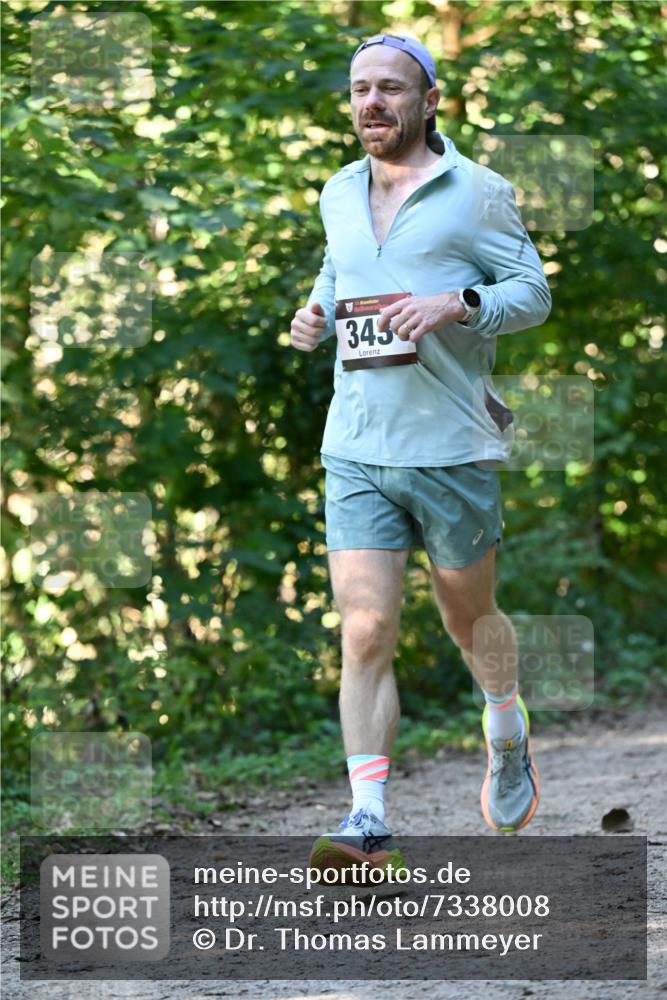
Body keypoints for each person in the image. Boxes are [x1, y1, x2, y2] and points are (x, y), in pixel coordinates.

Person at [289, 33, 551, 873]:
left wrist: (457, 303)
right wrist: (314, 314)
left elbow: (532, 293)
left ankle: (504, 721)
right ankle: (367, 820)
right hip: (356, 443)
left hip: (450, 446)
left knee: (467, 618)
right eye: (359, 89)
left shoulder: (477, 192)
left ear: (429, 99)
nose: (371, 102)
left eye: (390, 89)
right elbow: (338, 275)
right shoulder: (337, 190)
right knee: (364, 628)